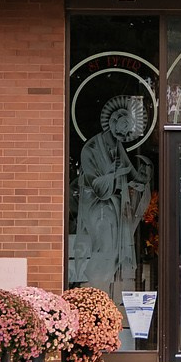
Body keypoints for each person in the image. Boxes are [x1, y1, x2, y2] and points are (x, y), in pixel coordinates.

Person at [69, 93, 150, 296]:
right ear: (112, 122)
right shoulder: (92, 148)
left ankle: (102, 295)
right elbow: (95, 185)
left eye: (127, 132)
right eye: (122, 128)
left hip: (115, 209)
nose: (124, 135)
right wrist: (116, 174)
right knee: (103, 251)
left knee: (113, 254)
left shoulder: (117, 146)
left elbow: (131, 175)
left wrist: (143, 178)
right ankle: (93, 292)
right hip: (99, 210)